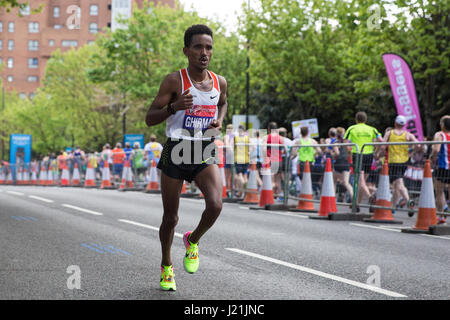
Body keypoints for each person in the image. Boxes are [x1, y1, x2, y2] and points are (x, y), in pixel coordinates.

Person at [145, 24, 227, 291]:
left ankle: (193, 240)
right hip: (177, 148)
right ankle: (167, 266)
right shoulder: (174, 81)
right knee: (170, 218)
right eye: (198, 47)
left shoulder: (219, 82)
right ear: (186, 50)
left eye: (209, 47)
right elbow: (149, 118)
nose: (204, 52)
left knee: (215, 205)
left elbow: (222, 102)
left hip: (203, 147)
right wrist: (174, 106)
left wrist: (219, 121)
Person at [344, 111, 383, 211]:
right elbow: (381, 141)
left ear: (356, 119)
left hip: (358, 155)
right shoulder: (372, 129)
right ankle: (357, 204)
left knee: (361, 181)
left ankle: (370, 197)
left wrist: (349, 150)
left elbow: (345, 142)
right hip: (369, 155)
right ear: (365, 120)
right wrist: (377, 151)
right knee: (363, 181)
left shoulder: (352, 128)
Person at [382, 115, 418, 213]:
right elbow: (418, 144)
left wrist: (379, 154)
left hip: (393, 161)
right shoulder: (407, 134)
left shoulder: (389, 133)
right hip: (404, 161)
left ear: (395, 123)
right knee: (396, 185)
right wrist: (411, 152)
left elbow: (382, 146)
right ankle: (393, 207)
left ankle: (408, 200)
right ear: (404, 125)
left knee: (399, 184)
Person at [430, 115, 450, 224]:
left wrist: (431, 158)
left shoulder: (440, 135)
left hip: (442, 166)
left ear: (442, 125)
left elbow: (436, 149)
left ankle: (441, 215)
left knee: (439, 191)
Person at [330, 127, 353, 202]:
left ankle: (333, 198)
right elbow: (350, 153)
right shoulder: (347, 143)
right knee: (346, 183)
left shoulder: (336, 143)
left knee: (334, 181)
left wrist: (332, 154)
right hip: (346, 163)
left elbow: (337, 153)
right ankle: (353, 198)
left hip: (338, 163)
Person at [262, 122, 284, 197]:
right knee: (278, 179)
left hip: (270, 160)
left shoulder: (266, 137)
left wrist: (265, 157)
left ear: (269, 129)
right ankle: (279, 194)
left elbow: (264, 148)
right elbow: (286, 148)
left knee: (271, 178)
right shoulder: (280, 138)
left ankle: (271, 193)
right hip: (279, 160)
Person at [234, 125, 249, 198]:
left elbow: (233, 147)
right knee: (245, 176)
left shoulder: (236, 138)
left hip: (238, 158)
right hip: (246, 159)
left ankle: (244, 186)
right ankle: (241, 192)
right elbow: (251, 148)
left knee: (240, 175)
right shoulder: (247, 138)